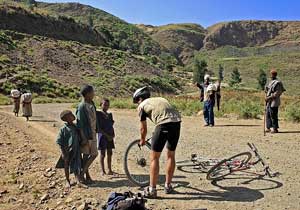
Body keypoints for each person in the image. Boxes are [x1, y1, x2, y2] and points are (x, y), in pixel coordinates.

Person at [133, 86, 181, 198]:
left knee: (154, 158)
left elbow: (143, 128)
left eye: (136, 101)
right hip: (177, 122)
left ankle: (152, 190)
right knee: (171, 155)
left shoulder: (142, 106)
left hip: (163, 124)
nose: (137, 104)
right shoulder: (160, 99)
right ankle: (168, 186)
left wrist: (142, 139)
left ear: (139, 99)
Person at [76, 84, 99, 184]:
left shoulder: (91, 104)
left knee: (88, 156)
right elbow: (80, 124)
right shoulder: (82, 106)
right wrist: (83, 137)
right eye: (92, 92)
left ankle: (87, 176)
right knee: (92, 155)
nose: (94, 94)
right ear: (88, 94)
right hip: (86, 135)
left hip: (92, 134)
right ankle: (81, 176)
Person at [56, 110, 83, 189]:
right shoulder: (64, 129)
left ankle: (78, 181)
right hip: (67, 151)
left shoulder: (75, 126)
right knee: (66, 165)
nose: (73, 115)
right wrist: (63, 153)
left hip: (76, 149)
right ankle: (67, 181)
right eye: (71, 114)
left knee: (77, 164)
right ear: (67, 118)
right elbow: (59, 141)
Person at [96, 98, 115, 176]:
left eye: (108, 105)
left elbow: (111, 125)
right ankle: (103, 171)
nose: (106, 106)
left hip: (110, 136)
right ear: (101, 105)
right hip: (102, 137)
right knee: (103, 154)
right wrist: (107, 135)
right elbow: (99, 129)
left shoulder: (110, 115)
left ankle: (110, 170)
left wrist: (113, 135)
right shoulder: (98, 114)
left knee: (110, 153)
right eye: (104, 104)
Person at [265, 69, 285, 134]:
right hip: (269, 101)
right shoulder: (271, 82)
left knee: (273, 115)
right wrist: (266, 90)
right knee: (268, 114)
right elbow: (268, 90)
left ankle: (275, 129)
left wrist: (269, 97)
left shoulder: (277, 83)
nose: (270, 76)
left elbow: (277, 93)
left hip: (274, 101)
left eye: (271, 74)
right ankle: (268, 128)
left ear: (274, 75)